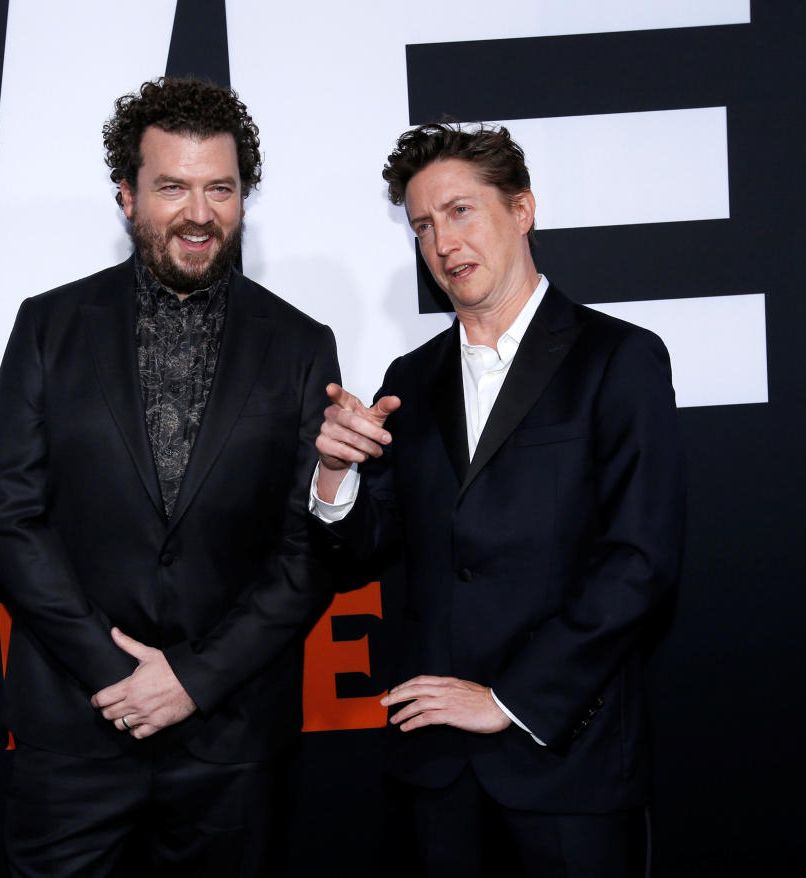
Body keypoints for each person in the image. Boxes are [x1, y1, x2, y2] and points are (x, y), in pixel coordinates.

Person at [0, 77, 339, 876]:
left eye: (220, 187)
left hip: (232, 736)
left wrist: (192, 680)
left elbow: (306, 549)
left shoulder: (301, 344)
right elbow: (10, 519)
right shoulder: (49, 326)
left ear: (244, 197)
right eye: (172, 186)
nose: (199, 212)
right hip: (76, 727)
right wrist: (123, 680)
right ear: (127, 195)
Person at [311, 122, 686, 877]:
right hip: (435, 770)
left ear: (522, 210)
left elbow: (640, 562)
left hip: (566, 756)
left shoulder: (617, 359)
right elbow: (365, 552)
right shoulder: (408, 379)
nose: (442, 242)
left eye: (459, 211)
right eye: (422, 224)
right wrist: (334, 478)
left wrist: (507, 699)